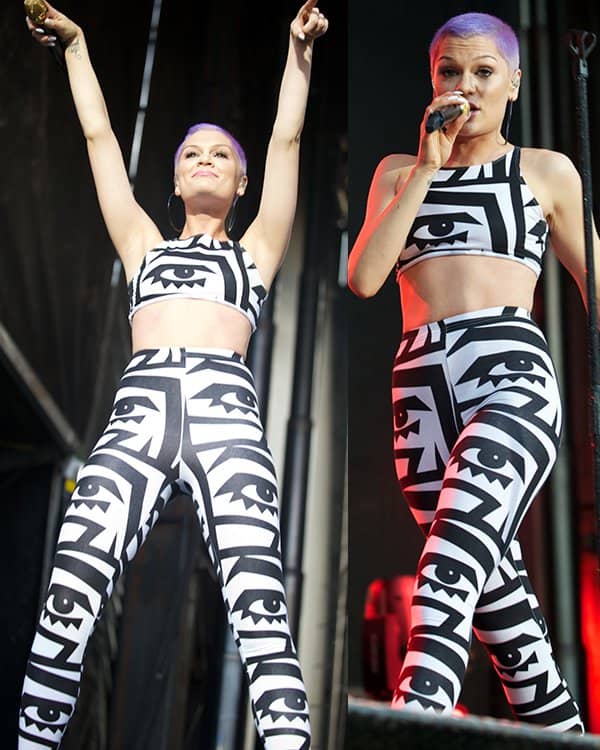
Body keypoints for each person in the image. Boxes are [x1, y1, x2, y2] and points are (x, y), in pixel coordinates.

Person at [19, 2, 328, 749]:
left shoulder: (255, 253)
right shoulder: (144, 248)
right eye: (192, 153)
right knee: (70, 589)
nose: (204, 160)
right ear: (174, 176)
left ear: (242, 181)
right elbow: (98, 139)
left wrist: (298, 54)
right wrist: (78, 46)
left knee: (260, 605)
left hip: (227, 418)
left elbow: (287, 141)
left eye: (220, 154)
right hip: (140, 417)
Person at [348, 11, 597, 733]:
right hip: (419, 397)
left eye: (484, 72)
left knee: (446, 570)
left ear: (513, 83)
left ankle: (413, 721)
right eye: (450, 71)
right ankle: (565, 737)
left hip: (510, 378)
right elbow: (364, 278)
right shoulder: (399, 172)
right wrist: (427, 167)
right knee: (510, 631)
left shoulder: (544, 170)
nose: (466, 86)